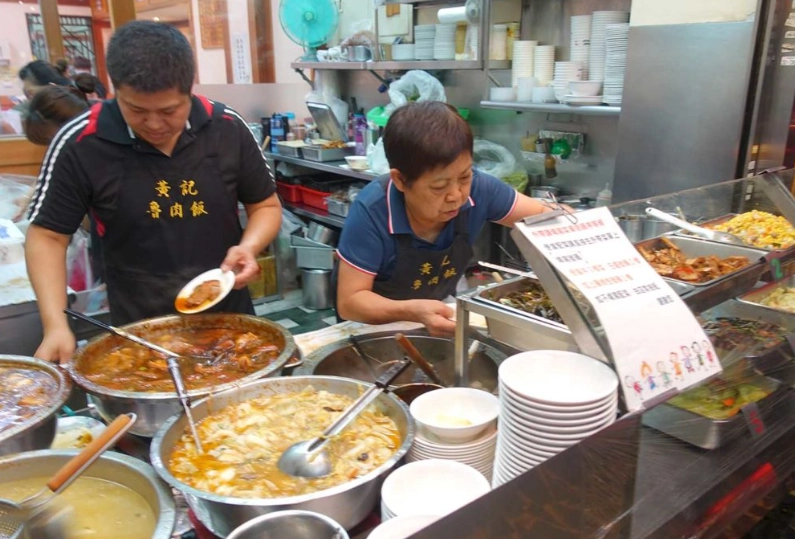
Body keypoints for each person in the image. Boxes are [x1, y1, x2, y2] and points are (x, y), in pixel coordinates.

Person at [25, 20, 282, 362]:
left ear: (189, 89)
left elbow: (265, 205)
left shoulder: (226, 128)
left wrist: (248, 247)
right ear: (115, 91)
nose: (155, 124)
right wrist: (55, 324)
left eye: (169, 110)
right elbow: (47, 236)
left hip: (231, 321)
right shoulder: (80, 142)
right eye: (136, 110)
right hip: (138, 329)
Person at [334, 101, 558, 336]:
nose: (456, 195)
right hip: (373, 329)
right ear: (400, 180)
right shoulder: (372, 210)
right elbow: (350, 302)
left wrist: (572, 226)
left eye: (464, 177)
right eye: (439, 186)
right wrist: (412, 311)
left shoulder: (480, 188)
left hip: (436, 316)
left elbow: (548, 216)